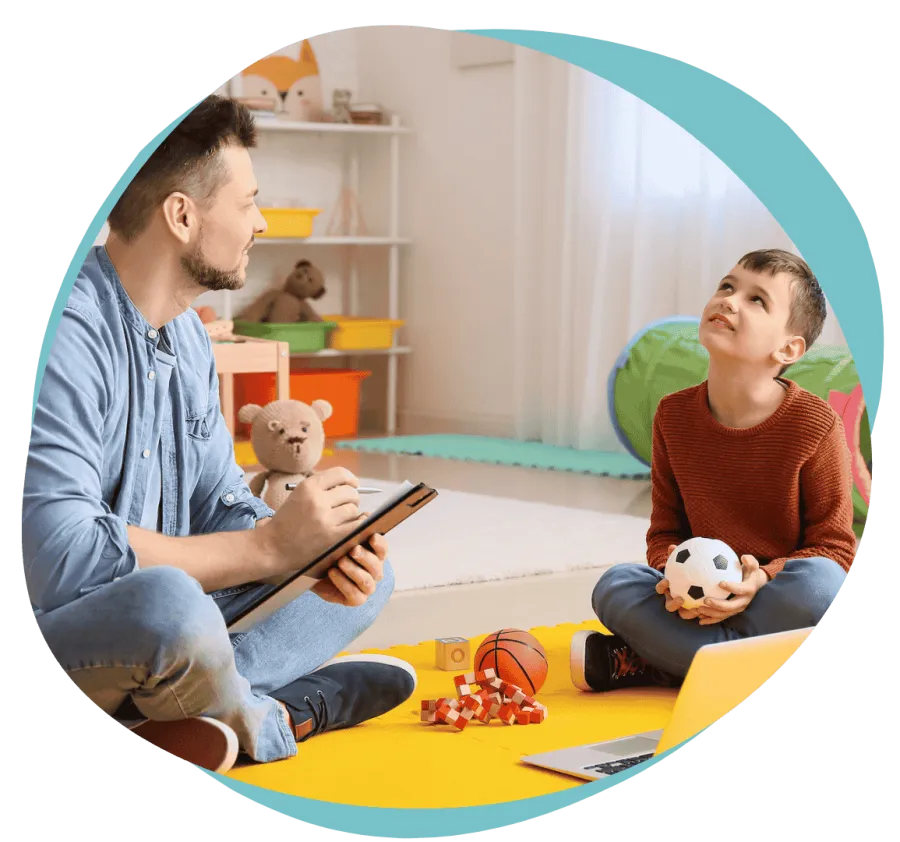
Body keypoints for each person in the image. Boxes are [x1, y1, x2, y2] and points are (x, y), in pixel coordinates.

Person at [22, 95, 417, 774]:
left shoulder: (187, 334)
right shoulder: (65, 335)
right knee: (171, 605)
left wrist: (304, 548)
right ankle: (285, 713)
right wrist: (268, 548)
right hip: (72, 624)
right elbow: (63, 558)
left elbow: (215, 500)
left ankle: (190, 709)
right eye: (249, 202)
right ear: (182, 216)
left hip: (164, 633)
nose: (260, 222)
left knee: (364, 579)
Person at [570, 249, 858, 692]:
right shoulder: (672, 415)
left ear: (788, 348)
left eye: (756, 299)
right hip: (695, 597)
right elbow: (664, 533)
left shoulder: (816, 425)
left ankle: (661, 660)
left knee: (824, 584)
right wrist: (674, 579)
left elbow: (834, 548)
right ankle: (741, 664)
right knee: (615, 585)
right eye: (727, 286)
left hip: (773, 596)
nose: (729, 300)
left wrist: (759, 579)